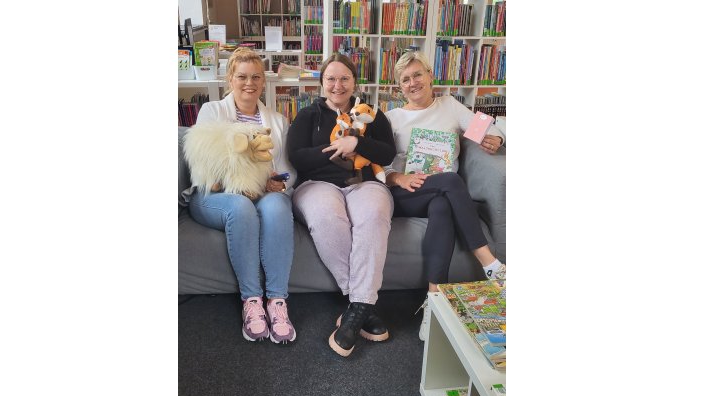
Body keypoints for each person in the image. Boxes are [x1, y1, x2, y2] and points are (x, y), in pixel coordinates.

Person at [383, 51, 507, 341]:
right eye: (405, 79)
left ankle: (433, 302)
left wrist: (498, 137)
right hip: (407, 193)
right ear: (398, 87)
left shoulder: (450, 106)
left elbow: (490, 126)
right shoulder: (391, 118)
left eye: (417, 75)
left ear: (429, 75)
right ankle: (490, 263)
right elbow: (382, 166)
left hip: (441, 195)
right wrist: (399, 177)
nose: (413, 83)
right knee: (451, 181)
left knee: (442, 205)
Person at [286, 54, 397, 357]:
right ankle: (363, 305)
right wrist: (336, 148)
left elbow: (387, 153)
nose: (338, 85)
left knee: (374, 215)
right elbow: (297, 156)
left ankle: (355, 310)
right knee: (325, 216)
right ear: (322, 83)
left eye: (344, 78)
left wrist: (358, 144)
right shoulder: (308, 115)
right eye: (331, 79)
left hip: (364, 183)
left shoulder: (372, 115)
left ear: (354, 82)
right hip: (317, 184)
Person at [184, 48, 297, 344]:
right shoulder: (212, 111)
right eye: (242, 76)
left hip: (261, 191)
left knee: (277, 207)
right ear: (230, 79)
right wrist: (228, 180)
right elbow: (203, 162)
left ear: (264, 82)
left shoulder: (277, 120)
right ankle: (252, 301)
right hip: (216, 194)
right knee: (241, 207)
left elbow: (286, 169)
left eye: (256, 77)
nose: (250, 83)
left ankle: (277, 302)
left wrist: (279, 183)